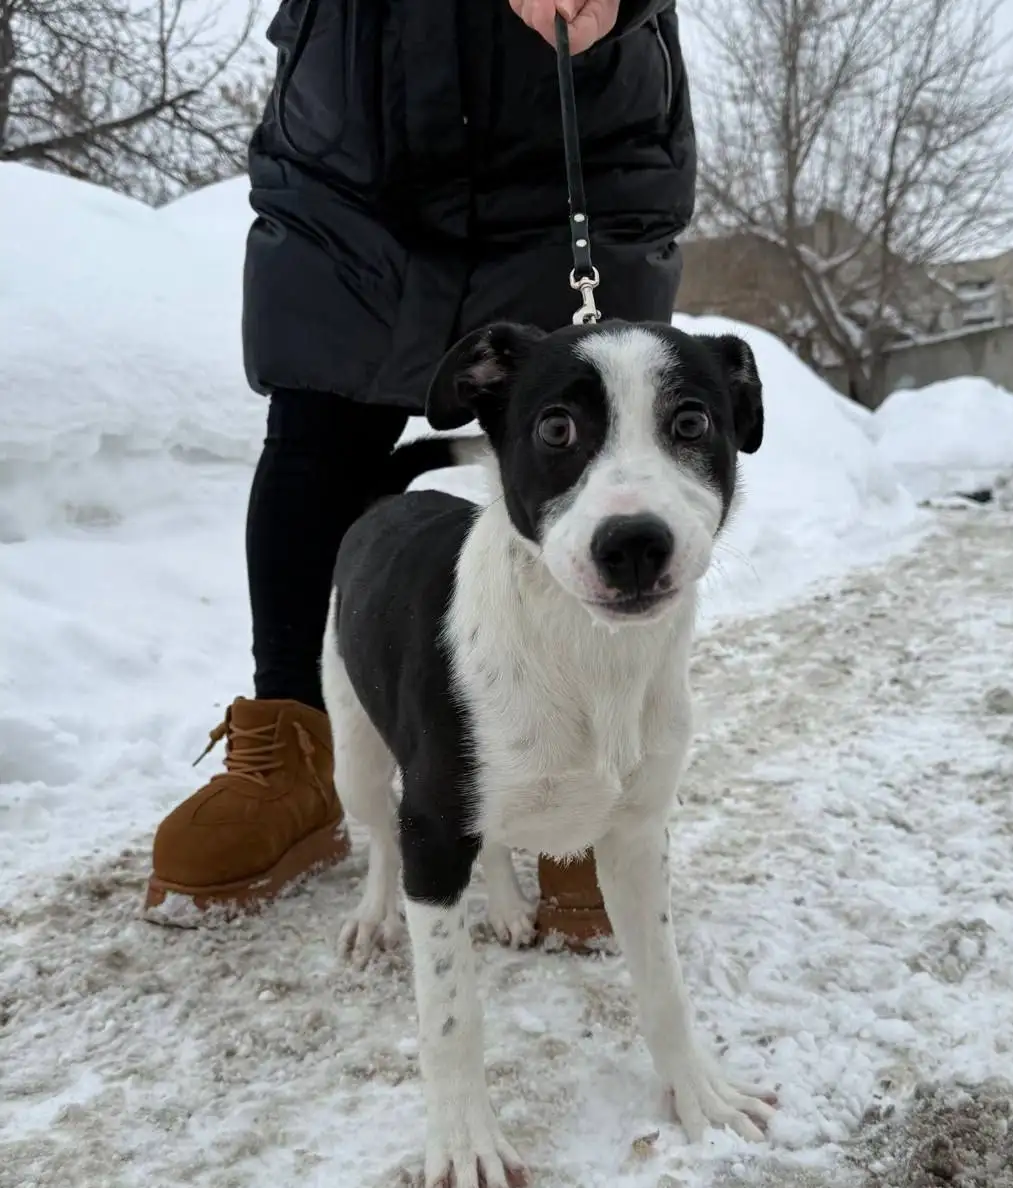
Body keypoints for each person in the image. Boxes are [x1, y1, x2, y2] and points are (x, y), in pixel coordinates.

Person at [144, 0, 696, 922]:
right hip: (355, 126)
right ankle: (297, 745)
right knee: (316, 429)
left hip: (575, 116)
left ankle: (597, 777)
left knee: (594, 455)